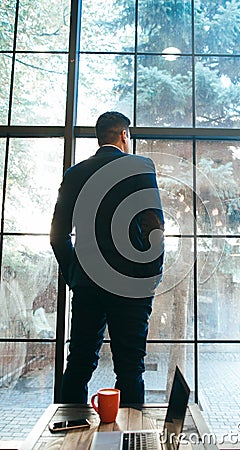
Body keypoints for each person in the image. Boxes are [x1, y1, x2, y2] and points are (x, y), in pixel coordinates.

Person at [50, 111, 164, 405]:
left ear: (99, 137)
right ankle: (129, 443)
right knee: (130, 369)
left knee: (79, 364)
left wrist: (76, 276)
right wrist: (151, 276)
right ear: (125, 135)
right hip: (132, 285)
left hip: (88, 283)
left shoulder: (75, 174)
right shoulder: (140, 166)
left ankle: (68, 441)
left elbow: (57, 235)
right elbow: (154, 226)